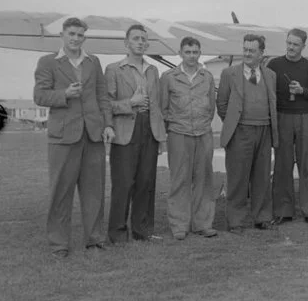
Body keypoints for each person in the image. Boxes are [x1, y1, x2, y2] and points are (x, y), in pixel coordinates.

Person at [33, 17, 114, 258]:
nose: (75, 38)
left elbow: (102, 96)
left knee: (94, 191)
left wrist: (108, 124)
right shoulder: (48, 62)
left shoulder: (93, 62)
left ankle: (95, 239)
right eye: (71, 34)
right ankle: (59, 244)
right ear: (62, 35)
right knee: (61, 192)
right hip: (63, 137)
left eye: (80, 35)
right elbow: (39, 96)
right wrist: (64, 94)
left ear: (84, 38)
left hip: (93, 136)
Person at [105, 24, 167, 243]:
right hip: (125, 131)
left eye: (143, 39)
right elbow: (107, 104)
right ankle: (118, 233)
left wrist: (160, 136)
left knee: (146, 182)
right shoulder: (114, 69)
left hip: (148, 130)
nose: (140, 42)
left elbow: (157, 105)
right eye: (136, 38)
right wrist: (130, 103)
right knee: (123, 184)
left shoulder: (152, 70)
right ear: (126, 43)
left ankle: (143, 230)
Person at [217, 34, 279, 234]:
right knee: (238, 178)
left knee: (262, 177)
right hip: (240, 132)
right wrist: (236, 123)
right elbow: (222, 104)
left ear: (262, 53)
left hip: (264, 130)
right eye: (245, 49)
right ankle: (235, 220)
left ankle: (262, 217)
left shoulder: (270, 75)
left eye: (252, 50)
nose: (247, 53)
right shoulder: (229, 74)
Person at [267, 29, 308, 226]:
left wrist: (303, 91)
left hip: (306, 117)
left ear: (303, 46)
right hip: (283, 117)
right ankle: (284, 211)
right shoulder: (274, 65)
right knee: (283, 164)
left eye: (295, 44)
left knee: (307, 163)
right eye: (289, 43)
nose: (291, 47)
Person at [160, 37, 217, 240]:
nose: (192, 56)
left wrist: (201, 124)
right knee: (180, 180)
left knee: (204, 179)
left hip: (203, 133)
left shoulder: (207, 77)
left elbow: (211, 107)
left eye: (195, 52)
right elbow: (163, 107)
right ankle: (179, 225)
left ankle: (203, 223)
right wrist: (175, 126)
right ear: (180, 53)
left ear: (200, 53)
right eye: (188, 52)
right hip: (179, 134)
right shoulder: (168, 77)